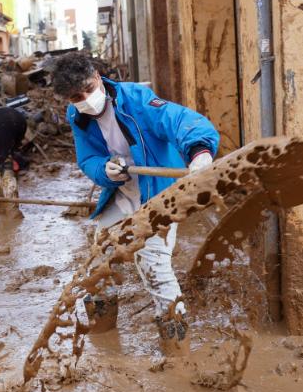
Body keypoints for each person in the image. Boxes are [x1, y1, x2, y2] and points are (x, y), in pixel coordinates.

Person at [51, 52, 219, 356]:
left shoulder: (137, 99)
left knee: (153, 264)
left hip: (158, 192)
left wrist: (199, 152)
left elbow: (178, 120)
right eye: (77, 96)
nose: (87, 99)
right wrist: (103, 170)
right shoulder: (77, 117)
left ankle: (176, 349)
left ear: (99, 78)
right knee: (99, 263)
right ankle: (104, 336)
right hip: (122, 191)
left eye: (89, 89)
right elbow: (86, 157)